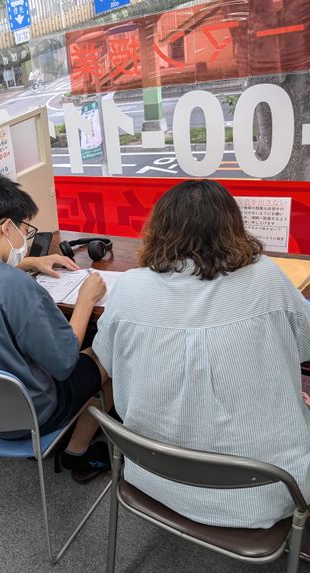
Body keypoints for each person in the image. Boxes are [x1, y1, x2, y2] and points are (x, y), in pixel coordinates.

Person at [93, 179, 310, 528]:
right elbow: (304, 346)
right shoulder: (266, 277)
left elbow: (108, 360)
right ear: (232, 227)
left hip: (152, 478)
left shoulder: (130, 287)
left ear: (159, 229)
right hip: (265, 493)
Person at [0, 175, 112, 479]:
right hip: (29, 417)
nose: (25, 238)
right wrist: (85, 299)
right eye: (25, 230)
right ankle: (77, 451)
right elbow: (66, 361)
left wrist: (28, 264)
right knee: (110, 347)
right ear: (5, 227)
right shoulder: (17, 288)